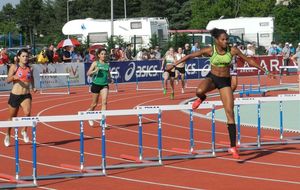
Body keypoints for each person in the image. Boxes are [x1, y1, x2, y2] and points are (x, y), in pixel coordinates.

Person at [171, 28, 274, 159]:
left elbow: (249, 60)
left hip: (225, 82)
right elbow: (190, 56)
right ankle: (202, 98)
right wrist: (174, 65)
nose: (226, 41)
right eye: (223, 39)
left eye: (227, 39)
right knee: (199, 91)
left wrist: (265, 71)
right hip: (212, 78)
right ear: (217, 40)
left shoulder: (232, 50)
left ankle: (233, 147)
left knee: (230, 113)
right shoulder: (210, 50)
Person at [4, 48, 37, 147]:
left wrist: (33, 86)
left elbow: (32, 78)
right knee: (12, 117)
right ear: (18, 57)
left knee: (27, 113)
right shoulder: (14, 67)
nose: (25, 58)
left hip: (26, 95)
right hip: (15, 95)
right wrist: (14, 77)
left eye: (27, 56)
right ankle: (8, 134)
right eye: (23, 56)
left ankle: (24, 130)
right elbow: (8, 80)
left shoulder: (30, 68)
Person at [86, 48, 112, 127]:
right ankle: (89, 116)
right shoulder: (95, 63)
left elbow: (108, 75)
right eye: (102, 54)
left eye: (105, 54)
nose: (104, 55)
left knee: (104, 102)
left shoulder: (107, 65)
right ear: (99, 55)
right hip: (96, 84)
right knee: (94, 104)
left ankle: (102, 121)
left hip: (104, 85)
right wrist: (95, 71)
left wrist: (110, 79)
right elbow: (88, 73)